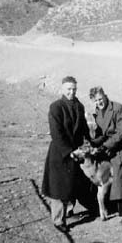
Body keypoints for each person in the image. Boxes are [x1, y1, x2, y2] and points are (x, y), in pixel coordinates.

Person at [41, 76, 97, 233]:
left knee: (72, 183)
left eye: (74, 89)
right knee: (59, 188)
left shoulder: (79, 106)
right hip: (60, 153)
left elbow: (84, 128)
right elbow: (56, 133)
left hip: (77, 150)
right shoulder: (56, 107)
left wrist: (89, 143)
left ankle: (70, 211)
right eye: (68, 89)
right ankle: (58, 220)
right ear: (62, 89)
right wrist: (69, 151)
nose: (71, 92)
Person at [89, 86, 122, 225]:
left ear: (105, 95)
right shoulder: (98, 112)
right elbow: (102, 134)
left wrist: (105, 146)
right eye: (96, 100)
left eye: (101, 98)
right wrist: (94, 143)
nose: (100, 102)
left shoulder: (118, 109)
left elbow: (121, 133)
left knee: (120, 177)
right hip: (111, 147)